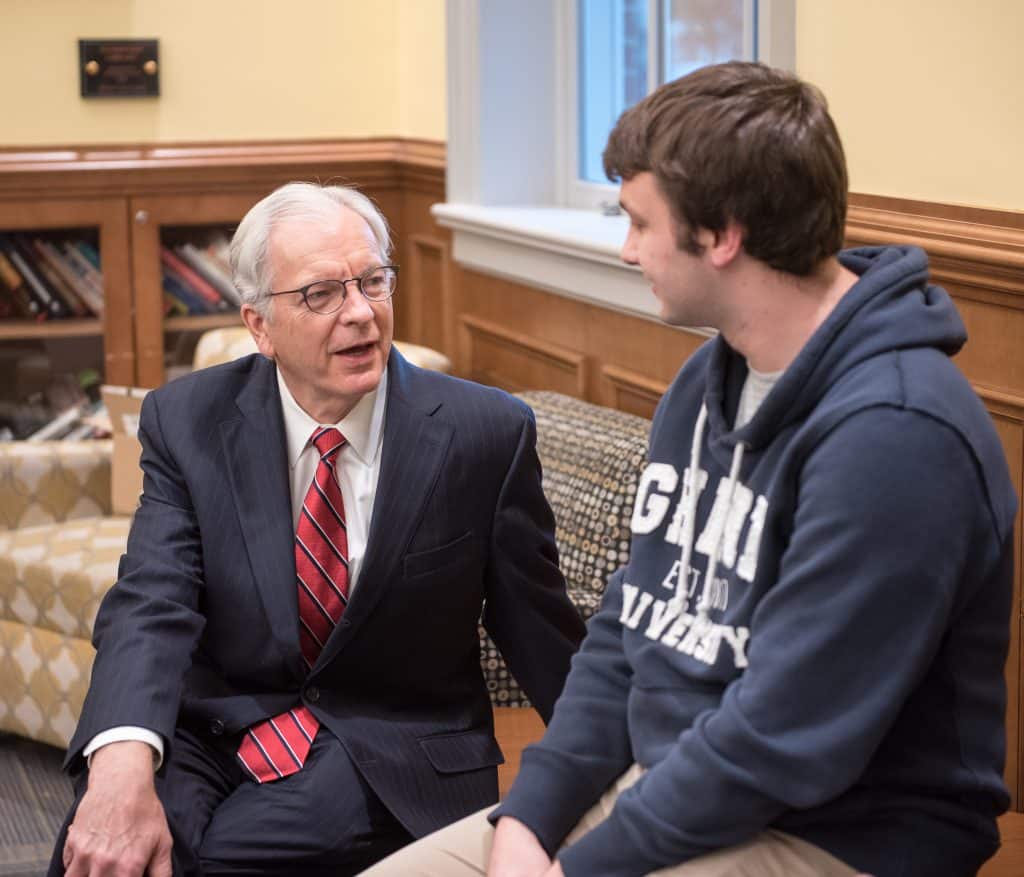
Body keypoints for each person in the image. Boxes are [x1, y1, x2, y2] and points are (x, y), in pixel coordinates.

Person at [359, 61, 1017, 877]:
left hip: (844, 832)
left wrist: (584, 865)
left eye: (640, 222)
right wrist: (531, 819)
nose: (627, 249)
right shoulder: (704, 386)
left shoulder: (897, 437)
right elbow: (629, 630)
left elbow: (785, 739)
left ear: (723, 234)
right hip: (673, 787)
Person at [50, 182, 586, 877]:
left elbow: (541, 628)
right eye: (321, 294)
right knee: (99, 846)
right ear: (259, 326)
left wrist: (616, 778)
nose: (360, 312)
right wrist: (118, 761)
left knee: (220, 859)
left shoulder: (483, 434)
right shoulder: (188, 421)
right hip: (214, 730)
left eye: (371, 282)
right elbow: (152, 599)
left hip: (390, 742)